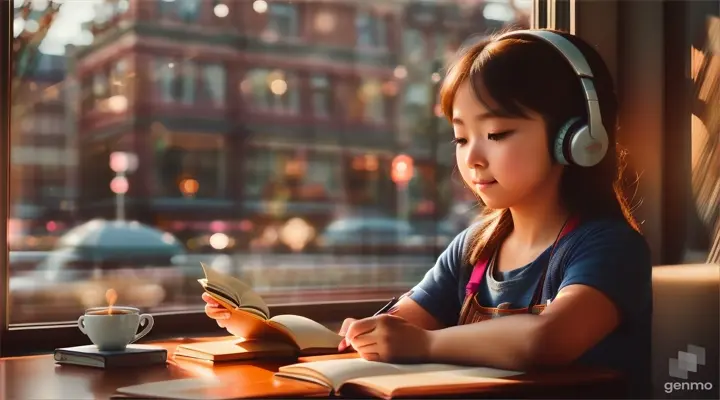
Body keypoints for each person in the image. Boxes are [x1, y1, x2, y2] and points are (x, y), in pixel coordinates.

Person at [203, 28, 653, 397]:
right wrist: (270, 333)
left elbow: (547, 339)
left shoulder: (607, 246)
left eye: (496, 133)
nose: (473, 157)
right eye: (460, 138)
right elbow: (393, 330)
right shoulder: (475, 249)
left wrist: (426, 343)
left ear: (578, 137)